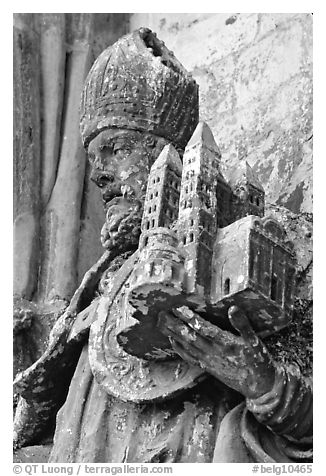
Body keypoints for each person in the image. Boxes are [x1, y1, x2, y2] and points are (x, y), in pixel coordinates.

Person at [13, 27, 312, 463]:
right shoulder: (94, 295)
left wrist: (262, 383)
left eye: (115, 150)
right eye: (94, 157)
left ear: (167, 156)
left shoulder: (256, 242)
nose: (98, 174)